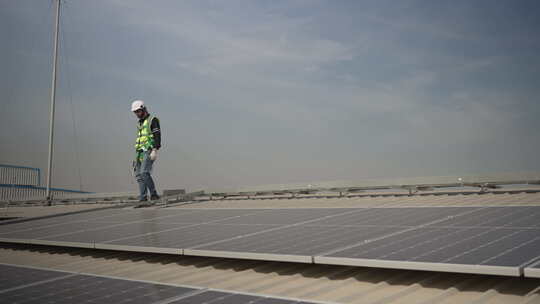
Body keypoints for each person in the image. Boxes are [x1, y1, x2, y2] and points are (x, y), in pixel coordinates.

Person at [131, 100, 161, 202]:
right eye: (135, 112)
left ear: (144, 109)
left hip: (149, 150)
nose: (137, 114)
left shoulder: (153, 120)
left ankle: (154, 194)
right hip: (139, 152)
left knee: (144, 173)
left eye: (138, 111)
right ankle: (143, 197)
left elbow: (157, 135)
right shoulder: (140, 122)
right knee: (138, 175)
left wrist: (155, 149)